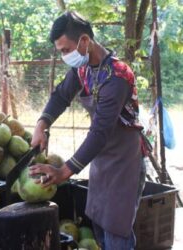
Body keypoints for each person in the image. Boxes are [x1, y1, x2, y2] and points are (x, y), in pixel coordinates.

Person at [29, 11, 147, 250]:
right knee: (101, 230)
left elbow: (100, 132)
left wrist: (64, 171)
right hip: (101, 160)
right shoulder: (83, 69)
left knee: (117, 234)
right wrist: (42, 124)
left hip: (125, 163)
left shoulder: (117, 77)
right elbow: (62, 95)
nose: (64, 56)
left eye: (65, 50)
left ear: (84, 41)